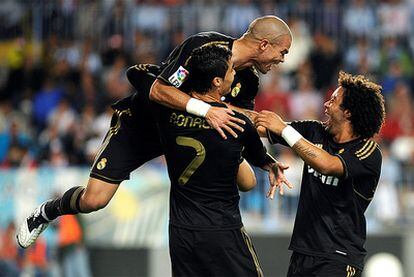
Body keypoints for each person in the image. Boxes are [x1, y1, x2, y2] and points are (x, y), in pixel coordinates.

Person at [17, 15, 292, 248]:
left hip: (183, 137)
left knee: (241, 181)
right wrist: (205, 110)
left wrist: (262, 158)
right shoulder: (203, 47)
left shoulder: (249, 81)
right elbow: (159, 90)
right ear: (264, 44)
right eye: (283, 52)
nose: (282, 59)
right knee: (94, 200)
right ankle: (45, 212)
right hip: (141, 127)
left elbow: (238, 124)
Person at [155, 44, 288, 276]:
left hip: (181, 231)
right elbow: (254, 168)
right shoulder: (237, 122)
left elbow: (136, 75)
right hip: (222, 229)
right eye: (230, 71)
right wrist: (271, 164)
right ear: (217, 81)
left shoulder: (167, 116)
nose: (234, 74)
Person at [255, 71, 386, 276]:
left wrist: (284, 130)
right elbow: (259, 125)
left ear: (348, 112)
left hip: (339, 257)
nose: (326, 104)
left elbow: (327, 165)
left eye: (333, 100)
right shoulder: (315, 131)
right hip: (302, 253)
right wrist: (212, 110)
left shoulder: (367, 151)